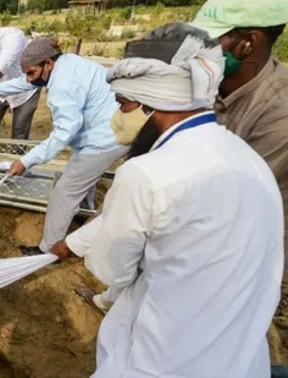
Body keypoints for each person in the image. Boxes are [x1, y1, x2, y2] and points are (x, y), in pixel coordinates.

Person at [61, 24, 282, 377]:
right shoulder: (250, 160)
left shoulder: (145, 175)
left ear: (152, 103)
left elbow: (110, 270)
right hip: (241, 362)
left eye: (123, 104)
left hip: (161, 362)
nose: (117, 118)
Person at [0, 37, 126, 257]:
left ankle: (49, 250)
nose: (29, 78)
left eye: (32, 72)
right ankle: (82, 217)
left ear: (48, 63)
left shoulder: (62, 85)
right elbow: (24, 82)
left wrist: (26, 161)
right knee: (82, 179)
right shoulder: (65, 64)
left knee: (64, 190)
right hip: (110, 127)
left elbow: (63, 134)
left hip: (105, 138)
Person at [192, 0, 288, 278]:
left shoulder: (279, 111)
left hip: (245, 248)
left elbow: (232, 199)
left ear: (248, 43)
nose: (194, 49)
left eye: (207, 40)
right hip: (204, 227)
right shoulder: (209, 82)